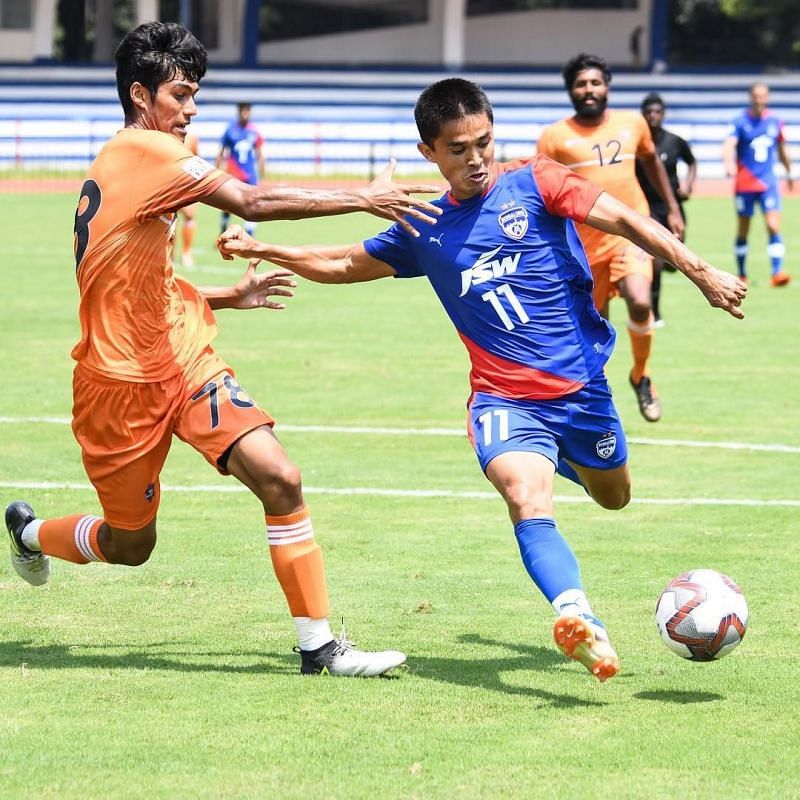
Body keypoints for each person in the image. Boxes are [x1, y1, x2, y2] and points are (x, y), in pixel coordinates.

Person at [215, 78, 746, 682]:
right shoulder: (423, 224)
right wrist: (267, 248)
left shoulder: (539, 181)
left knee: (614, 495)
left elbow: (626, 219)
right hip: (502, 398)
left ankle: (559, 457)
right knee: (525, 497)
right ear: (430, 154)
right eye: (458, 149)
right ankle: (579, 617)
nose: (475, 159)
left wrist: (700, 271)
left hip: (582, 391)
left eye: (483, 143)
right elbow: (341, 263)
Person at [4, 21, 443, 677]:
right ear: (140, 95)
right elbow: (252, 199)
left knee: (280, 477)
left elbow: (138, 286)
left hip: (183, 363)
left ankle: (319, 648)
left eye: (195, 93)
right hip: (118, 386)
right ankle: (30, 533)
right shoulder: (147, 154)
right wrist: (363, 197)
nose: (191, 107)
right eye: (181, 93)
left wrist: (223, 299)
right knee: (130, 547)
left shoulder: (127, 161)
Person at [537, 53, 684, 423]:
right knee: (594, 328)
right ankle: (593, 396)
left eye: (595, 82)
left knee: (639, 300)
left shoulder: (633, 123)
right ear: (571, 90)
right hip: (583, 249)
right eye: (581, 84)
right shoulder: (554, 138)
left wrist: (673, 209)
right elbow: (541, 190)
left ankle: (642, 375)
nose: (589, 90)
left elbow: (651, 162)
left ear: (607, 86)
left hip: (630, 234)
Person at [722, 82, 793, 286]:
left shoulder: (775, 122)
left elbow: (782, 149)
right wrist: (728, 164)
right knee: (744, 229)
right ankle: (742, 272)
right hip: (744, 184)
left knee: (773, 226)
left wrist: (789, 172)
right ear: (750, 97)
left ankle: (777, 272)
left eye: (762, 96)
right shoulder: (739, 121)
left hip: (768, 183)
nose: (759, 99)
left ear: (768, 97)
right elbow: (729, 145)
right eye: (755, 95)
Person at [635, 92, 697, 326]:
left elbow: (691, 162)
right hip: (646, 208)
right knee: (656, 261)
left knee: (673, 263)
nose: (653, 116)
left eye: (657, 112)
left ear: (663, 114)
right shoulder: (637, 144)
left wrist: (688, 185)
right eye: (648, 112)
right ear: (643, 115)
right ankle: (655, 313)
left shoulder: (675, 141)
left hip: (672, 207)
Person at [216, 102, 264, 239]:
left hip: (250, 174)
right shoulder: (231, 129)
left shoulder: (254, 131)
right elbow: (221, 151)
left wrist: (262, 171)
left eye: (247, 112)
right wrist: (217, 170)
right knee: (227, 205)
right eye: (243, 111)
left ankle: (250, 236)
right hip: (233, 173)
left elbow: (260, 153)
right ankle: (222, 231)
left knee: (253, 205)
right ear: (239, 112)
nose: (245, 114)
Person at [176, 128, 200, 268]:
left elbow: (196, 158)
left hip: (185, 184)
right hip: (167, 183)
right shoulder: (163, 136)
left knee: (189, 216)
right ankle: (170, 254)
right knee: (167, 219)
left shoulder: (191, 137)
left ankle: (186, 252)